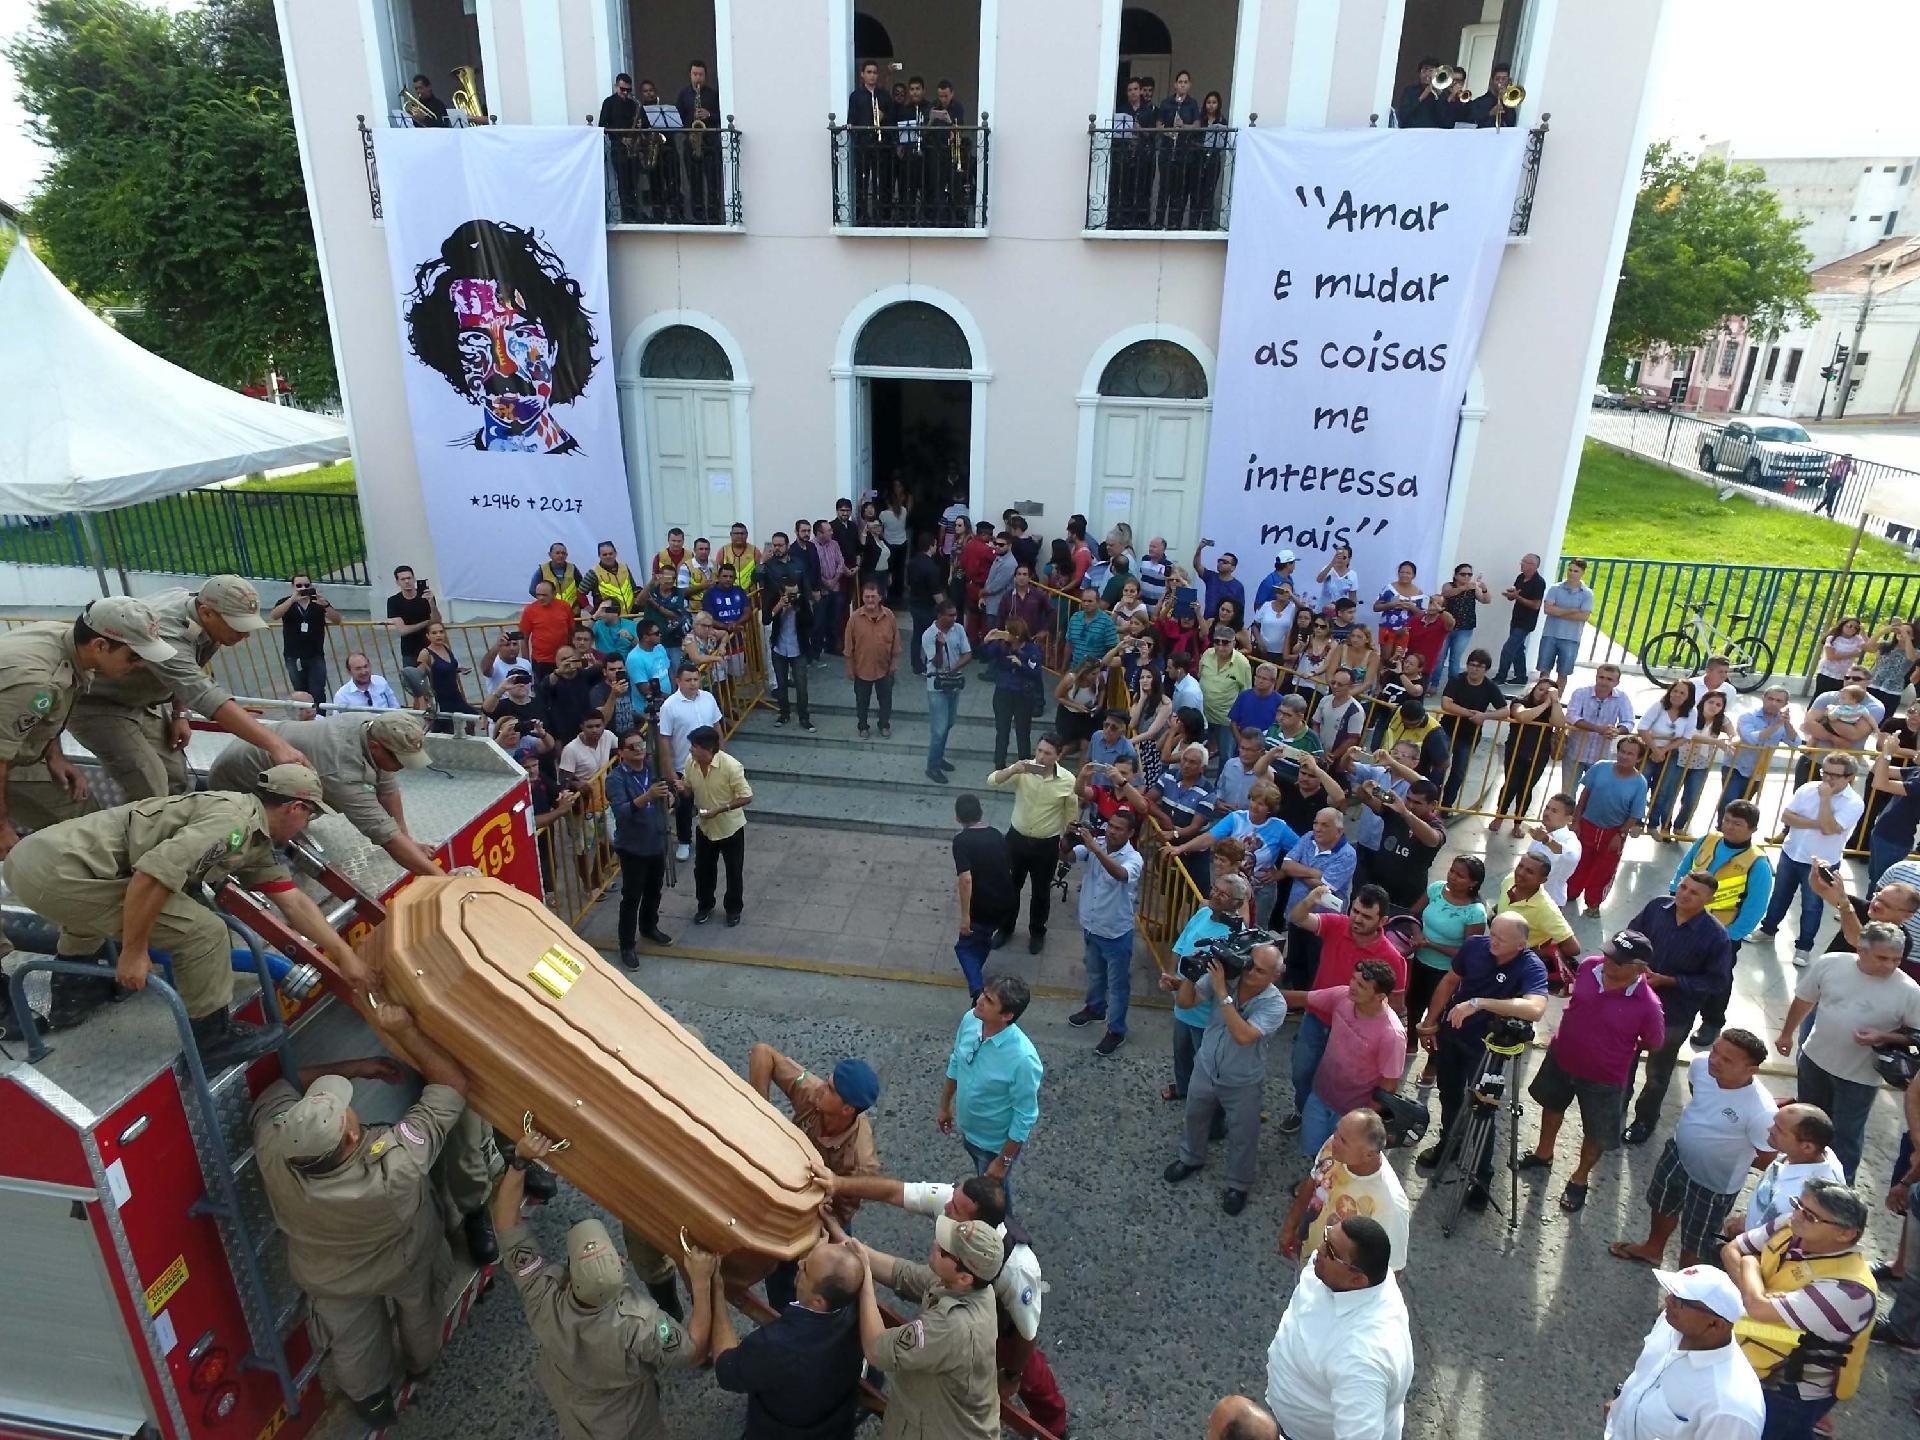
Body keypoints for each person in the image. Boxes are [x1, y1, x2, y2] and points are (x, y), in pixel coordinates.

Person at [3, 765, 370, 1069]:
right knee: (204, 932)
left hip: (37, 862)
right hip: (59, 872)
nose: (308, 825)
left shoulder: (254, 833)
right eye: (312, 814)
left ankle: (73, 997)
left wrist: (345, 956)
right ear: (295, 808)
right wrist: (134, 951)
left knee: (97, 912)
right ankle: (213, 1041)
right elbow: (151, 876)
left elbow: (294, 904)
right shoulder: (233, 823)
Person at [248, 1005, 469, 1426]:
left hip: (329, 1277)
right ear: (353, 1135)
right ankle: (422, 1364)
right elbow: (452, 1085)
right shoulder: (395, 1166)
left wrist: (353, 1066)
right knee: (420, 1309)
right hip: (403, 1261)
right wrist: (402, 1029)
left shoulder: (274, 1147)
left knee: (352, 1343)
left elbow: (278, 1087)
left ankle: (372, 1402)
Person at [496, 1129, 716, 1437]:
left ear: (570, 1274)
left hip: (572, 1406)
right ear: (622, 1264)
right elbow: (692, 1352)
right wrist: (703, 1284)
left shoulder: (543, 1296)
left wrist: (519, 1162)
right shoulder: (640, 1325)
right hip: (629, 1421)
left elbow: (506, 1224)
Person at [63, 576, 309, 801]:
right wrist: (277, 746)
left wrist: (180, 714)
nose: (245, 635)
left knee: (175, 775)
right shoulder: (168, 631)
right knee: (150, 786)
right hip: (99, 704)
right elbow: (203, 693)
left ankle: (166, 832)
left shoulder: (207, 610)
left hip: (142, 701)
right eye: (238, 626)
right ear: (206, 613)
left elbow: (191, 667)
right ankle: (144, 843)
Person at [0, 597, 172, 874]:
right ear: (100, 645)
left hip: (17, 752)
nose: (140, 665)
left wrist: (54, 755)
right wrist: (1, 828)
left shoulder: (64, 645)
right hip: (5, 762)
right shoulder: (37, 681)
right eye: (134, 656)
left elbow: (45, 712)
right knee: (88, 838)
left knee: (85, 821)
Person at [1523, 931, 1668, 1212]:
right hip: (1562, 1057)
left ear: (1639, 968)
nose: (1609, 962)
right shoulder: (1590, 966)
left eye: (1619, 961)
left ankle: (1579, 1178)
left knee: (1596, 1132)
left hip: (1605, 1076)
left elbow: (1654, 1042)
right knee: (1552, 1107)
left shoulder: (1648, 1005)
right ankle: (1543, 1154)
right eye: (1609, 954)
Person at [1722, 1179, 1877, 1439]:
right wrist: (1757, 1293)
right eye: (1798, 1205)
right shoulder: (1790, 1225)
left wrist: (1750, 1265)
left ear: (1845, 1234)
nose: (1796, 1215)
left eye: (1811, 1216)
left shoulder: (1851, 1291)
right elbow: (1732, 1249)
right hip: (1750, 1357)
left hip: (1790, 1391)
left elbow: (1756, 1304)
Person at [205, 710, 445, 879]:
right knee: (264, 846)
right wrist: (446, 881)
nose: (403, 766)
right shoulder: (339, 771)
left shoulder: (374, 727)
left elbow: (387, 787)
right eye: (399, 760)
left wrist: (408, 839)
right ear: (375, 747)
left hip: (265, 755)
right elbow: (385, 835)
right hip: (237, 782)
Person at [1414, 913, 1551, 1205]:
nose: (1494, 941)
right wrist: (1431, 1020)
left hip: (1488, 1050)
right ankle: (1449, 1143)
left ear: (1521, 944)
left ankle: (1482, 1176)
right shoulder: (1476, 946)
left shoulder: (1530, 966)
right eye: (1493, 933)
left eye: (1502, 938)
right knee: (1449, 1095)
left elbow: (1536, 1008)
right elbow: (1450, 981)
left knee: (1483, 1110)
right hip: (1452, 1037)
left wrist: (1480, 1004)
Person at [1610, 1030, 1776, 1269]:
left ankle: (1686, 1290)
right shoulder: (1700, 1065)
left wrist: (1722, 1155)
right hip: (1677, 1155)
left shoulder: (1762, 1111)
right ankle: (1652, 1249)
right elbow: (1696, 1091)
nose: (1715, 1060)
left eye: (1727, 1060)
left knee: (1697, 1239)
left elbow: (1767, 1159)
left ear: (1751, 1070)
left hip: (1715, 1184)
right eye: (1715, 1051)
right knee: (1662, 1204)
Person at [1776, 922, 1920, 1181]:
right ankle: (1797, 1177)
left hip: (1860, 1079)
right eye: (1882, 957)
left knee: (1845, 1138)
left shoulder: (1909, 991)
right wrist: (1786, 1034)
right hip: (1814, 1061)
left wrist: (1883, 1036)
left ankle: (1838, 1189)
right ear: (1861, 949)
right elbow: (1804, 999)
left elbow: (1916, 1037)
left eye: (1896, 960)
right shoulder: (1831, 963)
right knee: (1807, 1128)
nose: (1889, 965)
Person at [747, 1042, 882, 1299]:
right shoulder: (815, 1094)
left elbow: (838, 1214)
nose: (820, 1086)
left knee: (818, 1285)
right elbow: (763, 1053)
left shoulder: (860, 1161)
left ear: (847, 1110)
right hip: (787, 1190)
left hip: (821, 1218)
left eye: (830, 1088)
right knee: (776, 1278)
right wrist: (760, 1115)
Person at [849, 1216, 1003, 1440]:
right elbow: (902, 1274)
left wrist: (865, 1282)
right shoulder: (973, 1286)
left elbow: (876, 1350)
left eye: (944, 1250)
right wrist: (850, 1245)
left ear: (964, 1277)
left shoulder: (952, 1326)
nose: (935, 1244)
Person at [1163, 938, 1287, 1214]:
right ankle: (1191, 1157)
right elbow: (1185, 1003)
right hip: (1207, 1065)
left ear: (1275, 977)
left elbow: (1243, 1036)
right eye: (1250, 964)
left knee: (1244, 1133)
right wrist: (1191, 975)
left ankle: (1238, 1184)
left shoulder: (1275, 1004)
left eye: (1260, 971)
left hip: (1243, 1078)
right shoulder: (1227, 977)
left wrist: (1221, 992)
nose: (1251, 972)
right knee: (1194, 1114)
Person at [1263, 1216, 1413, 1440]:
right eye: (1326, 1236)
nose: (1319, 1249)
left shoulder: (1363, 1361)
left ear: (1357, 1281)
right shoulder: (1335, 1272)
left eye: (1331, 1251)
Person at [708, 1232, 867, 1440]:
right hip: (835, 1423)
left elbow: (725, 1370)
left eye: (807, 1268)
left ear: (818, 1302)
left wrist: (716, 1290)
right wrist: (819, 1256)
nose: (800, 1264)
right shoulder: (857, 1310)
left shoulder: (775, 1345)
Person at [1620, 873, 1737, 1145]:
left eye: (1694, 892)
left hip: (1672, 1014)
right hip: (1633, 1002)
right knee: (1624, 1060)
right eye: (1683, 887)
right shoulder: (1656, 908)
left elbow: (1716, 981)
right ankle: (1617, 1107)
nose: (1684, 894)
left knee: (1657, 1074)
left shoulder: (1716, 936)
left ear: (1709, 899)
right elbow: (1630, 936)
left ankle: (1645, 1120)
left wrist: (1670, 981)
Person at [1282, 882, 1407, 1125]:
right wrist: (1311, 899)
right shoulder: (1337, 925)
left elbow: (1396, 1003)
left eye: (1366, 916)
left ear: (1382, 921)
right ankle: (1304, 1111)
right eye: (1355, 911)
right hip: (1317, 1018)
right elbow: (1297, 918)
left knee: (1343, 1082)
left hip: (1355, 1032)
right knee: (1301, 1072)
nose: (1357, 919)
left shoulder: (1393, 958)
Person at [1604, 1264, 1765, 1440]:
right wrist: (1622, 1409)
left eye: (1680, 1301)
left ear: (1716, 1324)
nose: (1668, 1301)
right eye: (1671, 1292)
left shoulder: (1731, 1410)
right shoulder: (1671, 1323)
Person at [1670, 800, 1773, 1048]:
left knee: (1717, 979)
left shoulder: (1757, 864)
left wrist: (1731, 936)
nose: (1729, 827)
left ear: (1752, 829)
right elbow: (1684, 870)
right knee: (1678, 968)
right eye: (1727, 820)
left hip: (1722, 932)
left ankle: (1712, 1021)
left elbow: (1755, 907)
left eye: (1737, 824)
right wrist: (1673, 895)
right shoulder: (1707, 840)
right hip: (1685, 920)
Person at [1279, 960, 1406, 1159]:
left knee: (1340, 1161)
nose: (1353, 986)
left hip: (1351, 1112)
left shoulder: (1392, 1035)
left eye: (1362, 986)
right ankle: (1317, 1184)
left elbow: (1388, 1085)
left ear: (1380, 996)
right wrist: (1257, 990)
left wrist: (1362, 1123)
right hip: (1320, 1096)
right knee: (1315, 1153)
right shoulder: (1342, 996)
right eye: (1353, 980)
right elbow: (1304, 999)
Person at [940, 975, 1044, 1207]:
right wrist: (944, 1106)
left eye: (988, 1000)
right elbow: (957, 1062)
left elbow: (1025, 1114)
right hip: (969, 1130)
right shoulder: (970, 1020)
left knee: (994, 1201)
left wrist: (1002, 1161)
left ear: (1007, 1016)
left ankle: (1003, 1235)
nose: (979, 1000)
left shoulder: (1023, 1059)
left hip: (993, 1146)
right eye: (983, 994)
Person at [1760, 755, 1865, 966]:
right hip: (1792, 852)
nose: (1827, 779)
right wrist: (1819, 823)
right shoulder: (1808, 788)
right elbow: (1787, 817)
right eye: (1824, 772)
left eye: (1834, 775)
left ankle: (1803, 948)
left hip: (1821, 862)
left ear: (1849, 777)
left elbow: (1829, 829)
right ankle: (1768, 929)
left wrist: (1825, 800)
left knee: (1812, 906)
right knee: (1779, 895)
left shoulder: (1854, 803)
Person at [1279, 1108, 1409, 1273]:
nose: (1334, 1141)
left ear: (1369, 1154)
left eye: (1344, 1141)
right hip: (1308, 1262)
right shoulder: (1334, 1146)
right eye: (1337, 1131)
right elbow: (1313, 1183)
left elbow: (1392, 1270)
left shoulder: (1390, 1205)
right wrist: (1291, 1228)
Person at [987, 737, 1079, 955]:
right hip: (1016, 839)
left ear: (1058, 756)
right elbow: (992, 781)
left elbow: (1070, 813)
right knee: (1010, 886)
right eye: (1039, 750)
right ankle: (1005, 928)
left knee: (1041, 892)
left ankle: (1037, 932)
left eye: (1047, 753)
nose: (1041, 756)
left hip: (1046, 844)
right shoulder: (1023, 769)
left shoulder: (1067, 780)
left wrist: (1066, 842)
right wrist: (1012, 770)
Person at [1066, 805, 1144, 1056]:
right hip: (1091, 925)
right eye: (1110, 826)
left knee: (1118, 984)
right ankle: (1095, 1008)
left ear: (1130, 833)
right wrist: (1067, 839)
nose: (1111, 832)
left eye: (1119, 829)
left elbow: (1121, 875)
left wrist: (1095, 849)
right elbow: (1067, 857)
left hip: (1115, 932)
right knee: (1095, 973)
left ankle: (1116, 1030)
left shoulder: (1134, 859)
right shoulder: (1096, 844)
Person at [605, 726, 674, 965]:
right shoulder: (616, 778)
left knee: (654, 890)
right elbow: (622, 811)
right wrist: (648, 796)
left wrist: (669, 796)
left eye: (641, 746)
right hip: (632, 846)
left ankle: (649, 926)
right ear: (621, 752)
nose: (639, 751)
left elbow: (665, 794)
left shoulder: (651, 770)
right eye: (632, 747)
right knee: (632, 896)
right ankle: (626, 945)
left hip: (656, 840)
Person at [1565, 736, 1651, 917]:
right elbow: (1584, 795)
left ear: (1638, 758)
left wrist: (1619, 835)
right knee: (1578, 861)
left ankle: (1593, 903)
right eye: (1622, 751)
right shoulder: (1600, 767)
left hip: (1613, 832)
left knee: (1604, 869)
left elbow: (1634, 815)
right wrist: (1576, 820)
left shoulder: (1640, 783)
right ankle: (1570, 893)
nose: (1624, 756)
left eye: (1630, 754)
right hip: (1587, 825)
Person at [1732, 1105, 1845, 1236]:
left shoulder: (1797, 1197)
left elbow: (1769, 1238)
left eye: (1779, 1129)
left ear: (1807, 1147)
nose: (1770, 1129)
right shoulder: (1822, 1153)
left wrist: (1743, 1236)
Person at [683, 724, 749, 926]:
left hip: (730, 827)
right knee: (702, 870)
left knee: (733, 871)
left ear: (708, 748)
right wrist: (682, 789)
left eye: (695, 746)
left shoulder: (731, 766)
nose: (691, 750)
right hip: (705, 827)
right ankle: (704, 905)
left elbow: (746, 796)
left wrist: (720, 809)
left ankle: (733, 909)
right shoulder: (690, 763)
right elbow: (689, 791)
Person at [952, 792, 1017, 998]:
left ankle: (977, 990)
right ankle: (976, 970)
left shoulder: (962, 841)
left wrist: (965, 917)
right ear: (981, 812)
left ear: (958, 818)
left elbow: (966, 879)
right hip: (1005, 901)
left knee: (963, 947)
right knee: (983, 938)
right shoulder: (996, 834)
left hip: (981, 906)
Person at [923, 600, 973, 784]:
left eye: (955, 615)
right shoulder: (929, 635)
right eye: (950, 615)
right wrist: (938, 646)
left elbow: (968, 654)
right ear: (940, 615)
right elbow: (935, 663)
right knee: (939, 728)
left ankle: (939, 756)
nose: (954, 618)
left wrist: (953, 669)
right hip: (936, 686)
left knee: (949, 723)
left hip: (953, 683)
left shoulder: (958, 629)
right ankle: (932, 766)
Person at [843, 580, 900, 740]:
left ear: (880, 597)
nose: (869, 600)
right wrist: (849, 667)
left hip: (885, 668)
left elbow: (896, 641)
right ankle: (863, 726)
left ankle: (884, 725)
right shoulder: (854, 618)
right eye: (866, 596)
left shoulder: (889, 616)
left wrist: (894, 663)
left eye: (873, 596)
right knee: (862, 701)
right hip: (862, 668)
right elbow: (848, 646)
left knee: (886, 699)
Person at [270, 572, 333, 698]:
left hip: (315, 655)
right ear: (292, 587)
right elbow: (274, 615)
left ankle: (320, 716)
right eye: (299, 586)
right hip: (293, 656)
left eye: (306, 585)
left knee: (318, 690)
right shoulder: (286, 602)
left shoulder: (318, 602)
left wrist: (325, 605)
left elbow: (337, 619)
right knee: (300, 692)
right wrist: (291, 600)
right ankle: (305, 716)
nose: (303, 589)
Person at [1537, 557, 1594, 688]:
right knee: (1544, 670)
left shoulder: (1587, 594)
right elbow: (1548, 609)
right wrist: (1573, 611)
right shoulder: (1555, 589)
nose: (1571, 573)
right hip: (1550, 634)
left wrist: (1559, 611)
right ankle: (1540, 699)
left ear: (1582, 573)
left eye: (1575, 571)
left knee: (1563, 673)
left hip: (1571, 638)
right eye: (1570, 570)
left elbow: (1584, 616)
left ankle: (1557, 701)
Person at [1493, 553, 1546, 684]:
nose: (1521, 564)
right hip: (1516, 618)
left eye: (1525, 562)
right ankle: (1521, 676)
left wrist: (1517, 597)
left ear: (1533, 566)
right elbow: (1513, 596)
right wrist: (1510, 594)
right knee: (1518, 648)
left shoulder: (1539, 582)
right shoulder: (1520, 577)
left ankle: (1501, 677)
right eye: (1522, 561)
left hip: (1527, 622)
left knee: (1508, 649)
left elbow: (1536, 605)